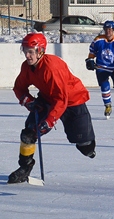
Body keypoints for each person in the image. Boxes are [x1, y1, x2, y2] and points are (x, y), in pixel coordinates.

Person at [8, 33, 96, 184]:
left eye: (31, 51)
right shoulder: (27, 67)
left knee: (85, 145)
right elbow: (19, 88)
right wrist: (28, 101)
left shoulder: (52, 67)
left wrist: (50, 120)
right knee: (29, 133)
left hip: (72, 100)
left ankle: (88, 147)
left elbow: (62, 99)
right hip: (48, 99)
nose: (27, 55)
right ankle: (25, 167)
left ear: (40, 51)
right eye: (25, 50)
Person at [85, 20, 114, 119]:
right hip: (101, 67)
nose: (108, 32)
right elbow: (92, 51)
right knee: (105, 86)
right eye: (106, 29)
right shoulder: (98, 40)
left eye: (110, 29)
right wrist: (90, 60)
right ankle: (108, 106)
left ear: (113, 30)